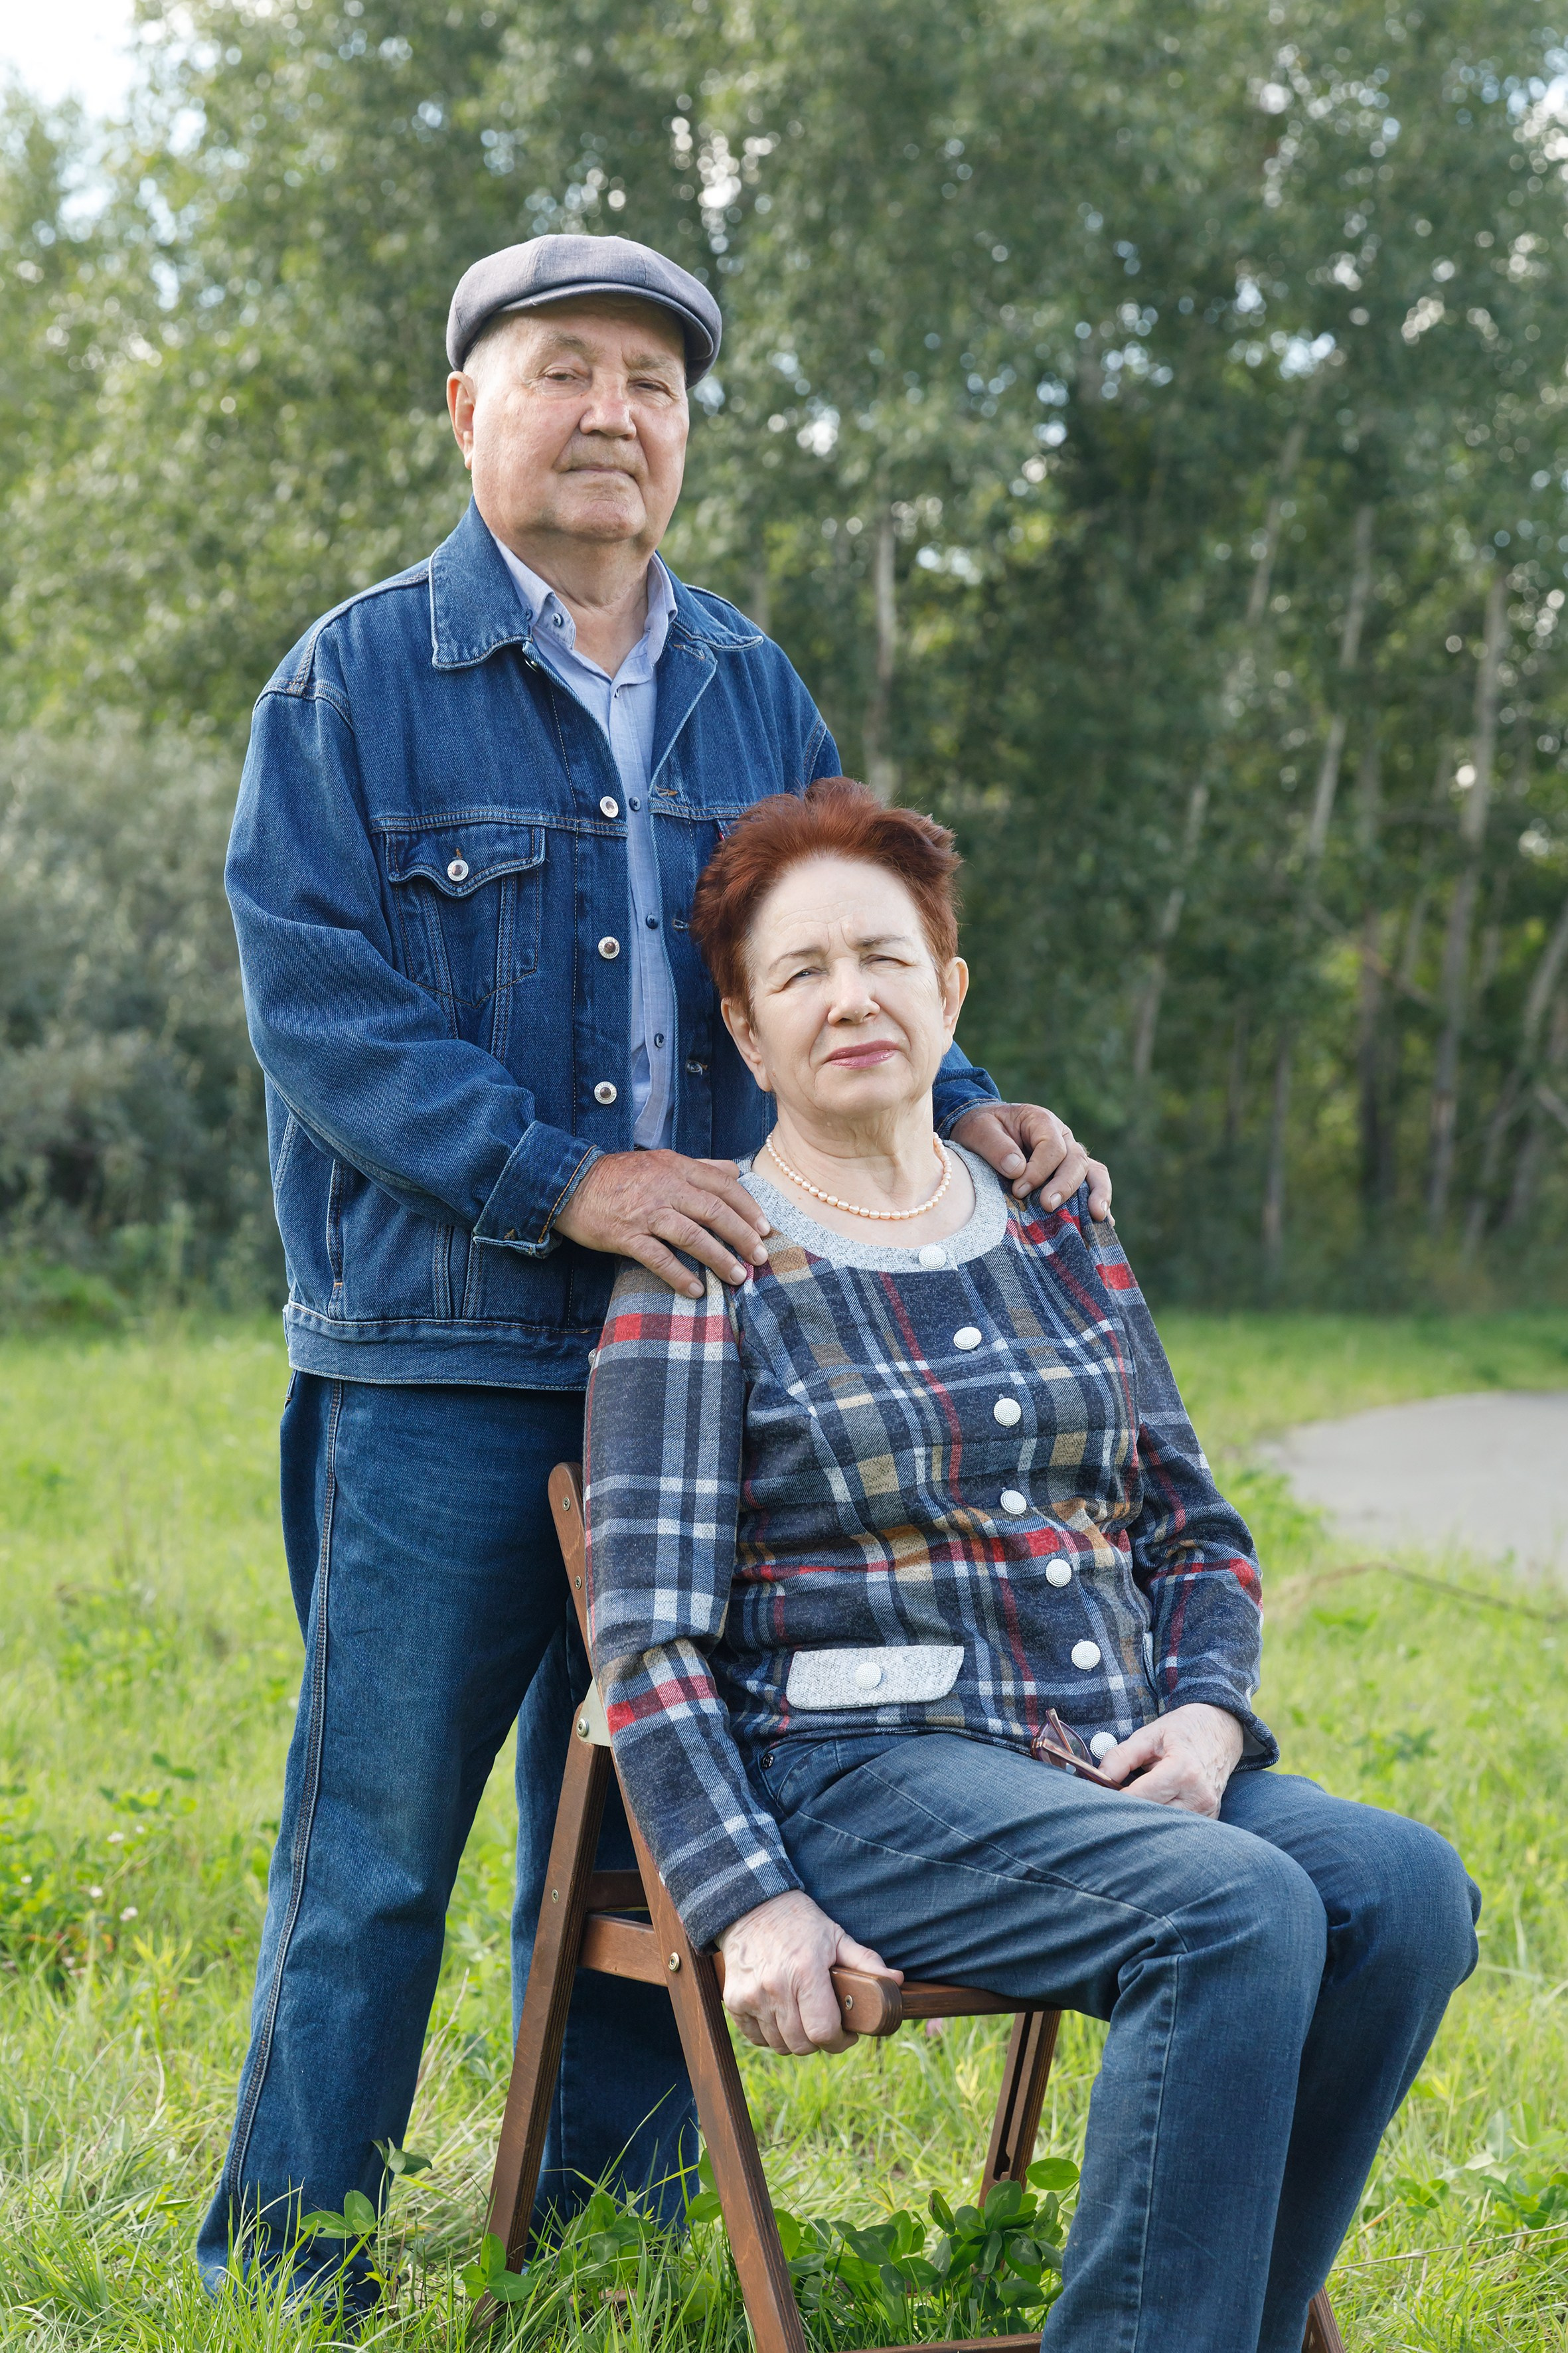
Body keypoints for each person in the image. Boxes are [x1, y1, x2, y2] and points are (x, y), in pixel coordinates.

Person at [202, 232, 1111, 2308]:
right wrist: (564, 1178)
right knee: (371, 1857)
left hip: (696, 1376)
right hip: (433, 1368)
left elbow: (825, 946)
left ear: (686, 434)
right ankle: (285, 2267)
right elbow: (321, 1015)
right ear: (467, 410)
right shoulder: (347, 685)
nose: (612, 412)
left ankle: (603, 2248)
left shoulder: (748, 683)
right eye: (564, 370)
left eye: (654, 384)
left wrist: (959, 1097)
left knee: (629, 1832)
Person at [584, 777, 1480, 2353]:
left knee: (1402, 1888)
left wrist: (1206, 1722)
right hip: (858, 1774)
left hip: (1105, 1753)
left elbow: (1192, 1528)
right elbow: (646, 1638)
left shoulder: (1055, 1218)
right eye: (799, 974)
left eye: (884, 956)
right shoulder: (711, 1262)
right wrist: (746, 1905)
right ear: (743, 1030)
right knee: (1227, 1912)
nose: (850, 996)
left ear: (950, 989)